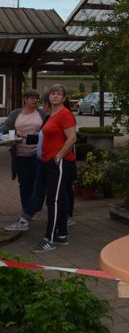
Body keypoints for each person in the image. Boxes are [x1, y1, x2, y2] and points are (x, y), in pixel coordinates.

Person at [32, 83, 77, 253]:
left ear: (64, 98)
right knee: (59, 199)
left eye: (58, 94)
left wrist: (59, 155)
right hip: (48, 161)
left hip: (59, 162)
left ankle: (49, 239)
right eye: (52, 93)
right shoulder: (52, 114)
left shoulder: (65, 114)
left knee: (54, 200)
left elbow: (72, 138)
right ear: (49, 97)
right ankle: (62, 234)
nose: (55, 96)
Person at [0, 89, 47, 216]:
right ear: (25, 99)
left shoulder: (41, 113)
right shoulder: (16, 113)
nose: (35, 100)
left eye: (36, 98)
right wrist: (2, 131)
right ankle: (26, 209)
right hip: (20, 154)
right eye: (32, 97)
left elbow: (46, 131)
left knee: (37, 183)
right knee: (24, 184)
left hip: (37, 153)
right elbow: (6, 126)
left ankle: (35, 208)